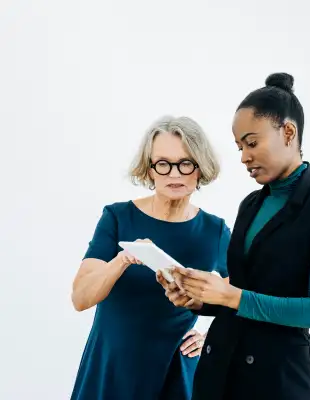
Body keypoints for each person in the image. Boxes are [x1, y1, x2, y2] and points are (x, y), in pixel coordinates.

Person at [158, 73, 310, 400]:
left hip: (279, 381)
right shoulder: (251, 203)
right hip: (220, 370)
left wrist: (230, 296)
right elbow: (248, 286)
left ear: (288, 132)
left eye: (251, 143)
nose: (244, 157)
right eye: (239, 147)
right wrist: (202, 299)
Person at [70, 116, 231, 400]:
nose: (174, 174)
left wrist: (216, 338)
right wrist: (123, 259)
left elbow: (243, 298)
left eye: (186, 163)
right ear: (150, 169)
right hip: (111, 368)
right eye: (163, 164)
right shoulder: (117, 217)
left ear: (200, 168)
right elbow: (81, 298)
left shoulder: (214, 231)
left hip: (174, 372)